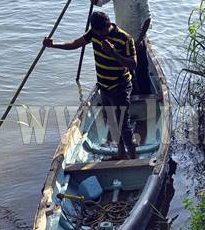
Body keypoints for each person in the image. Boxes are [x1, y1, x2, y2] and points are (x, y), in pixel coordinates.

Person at [44, 11, 138, 158]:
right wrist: (53, 45)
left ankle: (133, 157)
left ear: (109, 25)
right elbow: (75, 44)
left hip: (120, 87)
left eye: (101, 32)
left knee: (123, 125)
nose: (99, 36)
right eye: (96, 33)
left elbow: (133, 64)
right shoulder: (94, 33)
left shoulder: (124, 38)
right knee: (112, 122)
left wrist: (113, 53)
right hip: (104, 87)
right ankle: (121, 154)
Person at [92, 0, 152, 94]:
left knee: (142, 71)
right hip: (121, 40)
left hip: (136, 40)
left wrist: (140, 40)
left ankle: (146, 97)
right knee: (124, 71)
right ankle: (131, 94)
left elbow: (147, 20)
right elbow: (98, 2)